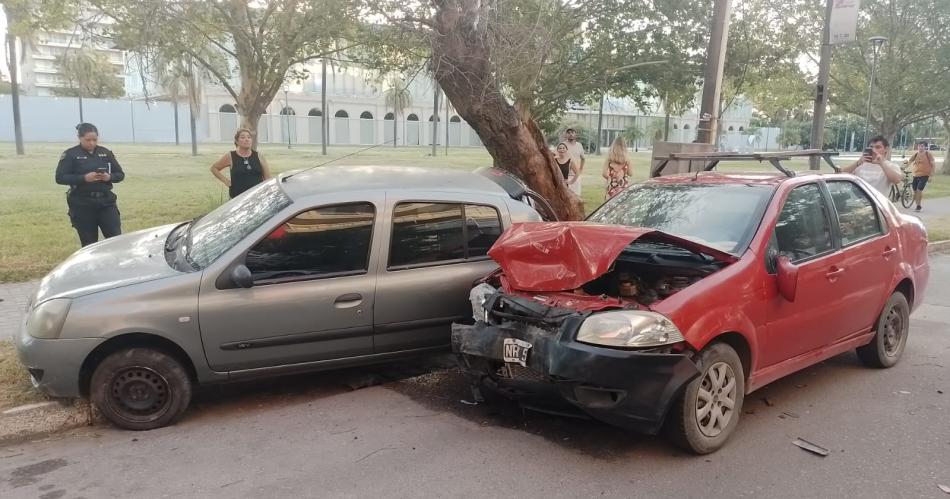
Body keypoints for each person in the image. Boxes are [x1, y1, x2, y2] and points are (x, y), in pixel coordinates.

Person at [55, 123, 125, 247]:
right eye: (88, 140)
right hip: (83, 204)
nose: (92, 143)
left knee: (115, 239)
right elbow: (60, 178)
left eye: (94, 140)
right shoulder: (71, 154)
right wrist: (84, 178)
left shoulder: (105, 153)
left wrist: (110, 177)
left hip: (106, 202)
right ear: (80, 138)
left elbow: (120, 174)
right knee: (89, 243)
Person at [211, 128, 272, 198]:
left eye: (249, 137)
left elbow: (268, 178)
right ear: (237, 141)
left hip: (257, 197)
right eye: (243, 137)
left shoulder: (259, 156)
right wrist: (226, 182)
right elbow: (214, 168)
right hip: (238, 198)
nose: (246, 139)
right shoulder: (230, 156)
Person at [905, 141, 936, 212]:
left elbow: (933, 165)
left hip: (924, 175)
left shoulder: (928, 154)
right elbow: (910, 161)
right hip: (915, 175)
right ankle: (917, 205)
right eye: (919, 146)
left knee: (919, 190)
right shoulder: (916, 154)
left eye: (922, 146)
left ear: (925, 147)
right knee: (915, 191)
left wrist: (931, 176)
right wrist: (904, 167)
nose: (920, 147)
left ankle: (918, 206)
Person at [563, 128, 585, 196]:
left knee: (576, 196)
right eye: (568, 133)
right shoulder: (562, 145)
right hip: (564, 175)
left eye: (572, 133)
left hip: (576, 175)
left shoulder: (579, 145)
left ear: (575, 134)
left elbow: (583, 158)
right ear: (566, 135)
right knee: (565, 196)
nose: (571, 134)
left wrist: (581, 169)